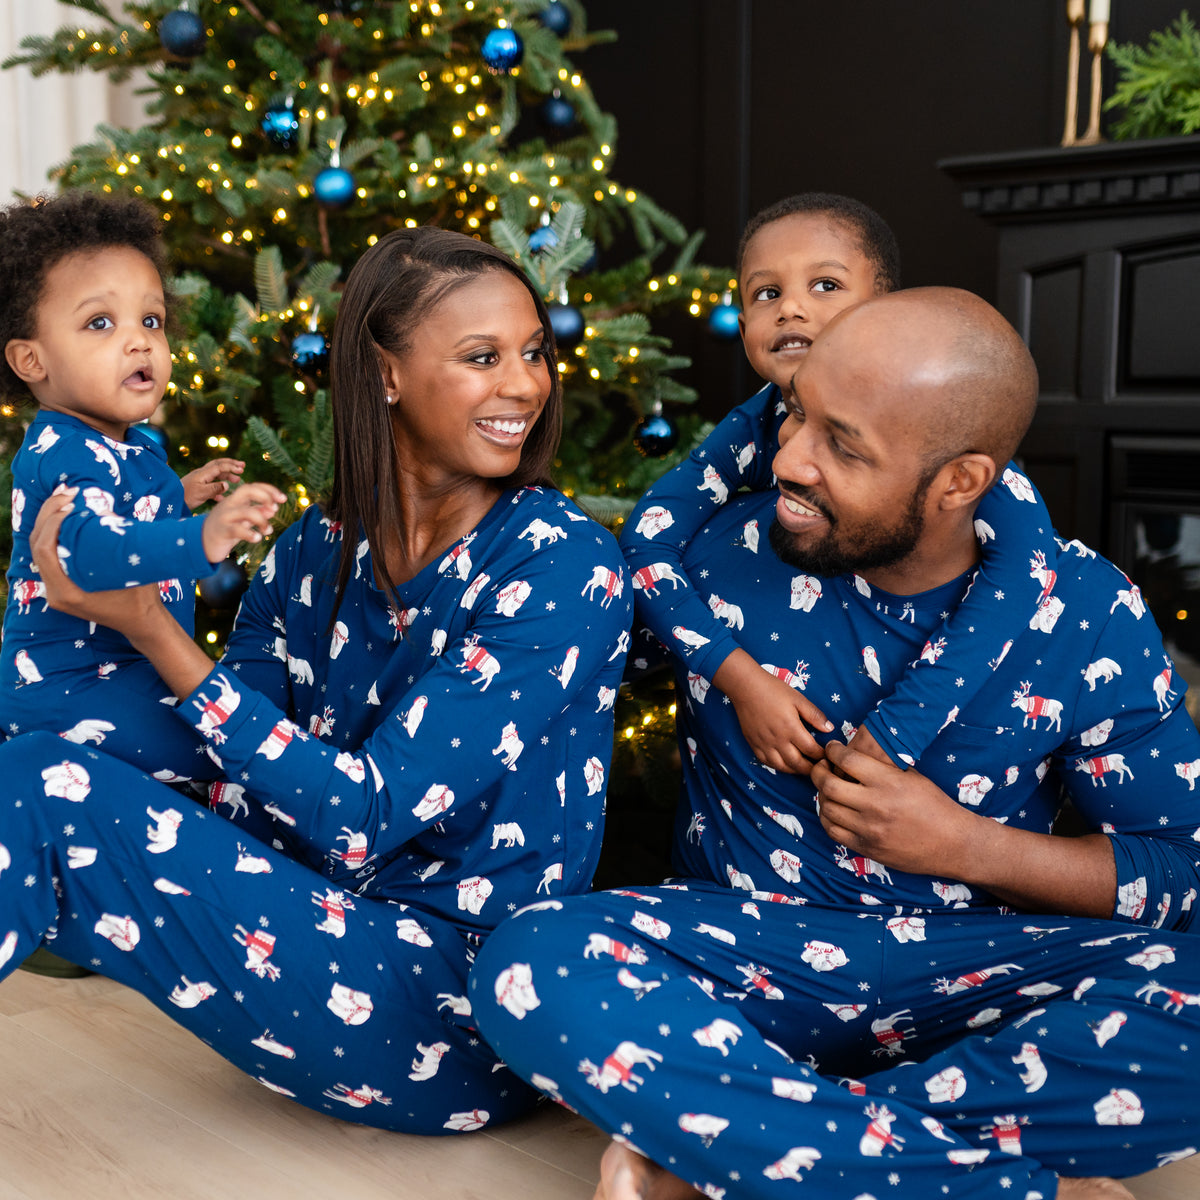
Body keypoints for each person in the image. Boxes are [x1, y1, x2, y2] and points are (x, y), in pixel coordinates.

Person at [472, 288, 1200, 1200]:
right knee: (530, 961)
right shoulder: (713, 565)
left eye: (843, 445)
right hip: (746, 969)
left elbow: (1176, 874)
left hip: (976, 982)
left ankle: (734, 1149)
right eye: (797, 416)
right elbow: (530, 668)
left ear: (959, 484)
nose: (789, 460)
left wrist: (965, 846)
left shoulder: (1087, 610)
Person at [0, 225, 632, 1134]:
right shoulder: (316, 551)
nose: (525, 384)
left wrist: (150, 631)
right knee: (41, 764)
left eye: (533, 353)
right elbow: (222, 766)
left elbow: (364, 813)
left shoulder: (563, 565)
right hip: (309, 934)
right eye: (484, 356)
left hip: (455, 1016)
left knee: (35, 787)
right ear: (384, 374)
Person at [622, 193, 1057, 775]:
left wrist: (901, 729)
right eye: (766, 293)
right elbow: (647, 541)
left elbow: (1027, 572)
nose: (791, 309)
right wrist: (742, 681)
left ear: (886, 310)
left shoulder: (951, 456)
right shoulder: (750, 428)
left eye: (824, 285)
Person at [0, 190, 281, 778]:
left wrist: (181, 493)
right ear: (31, 361)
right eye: (100, 322)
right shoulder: (61, 449)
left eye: (150, 320)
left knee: (233, 730)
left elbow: (130, 508)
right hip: (69, 690)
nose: (139, 340)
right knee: (225, 754)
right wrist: (200, 537)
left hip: (127, 671)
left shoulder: (132, 446)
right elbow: (94, 549)